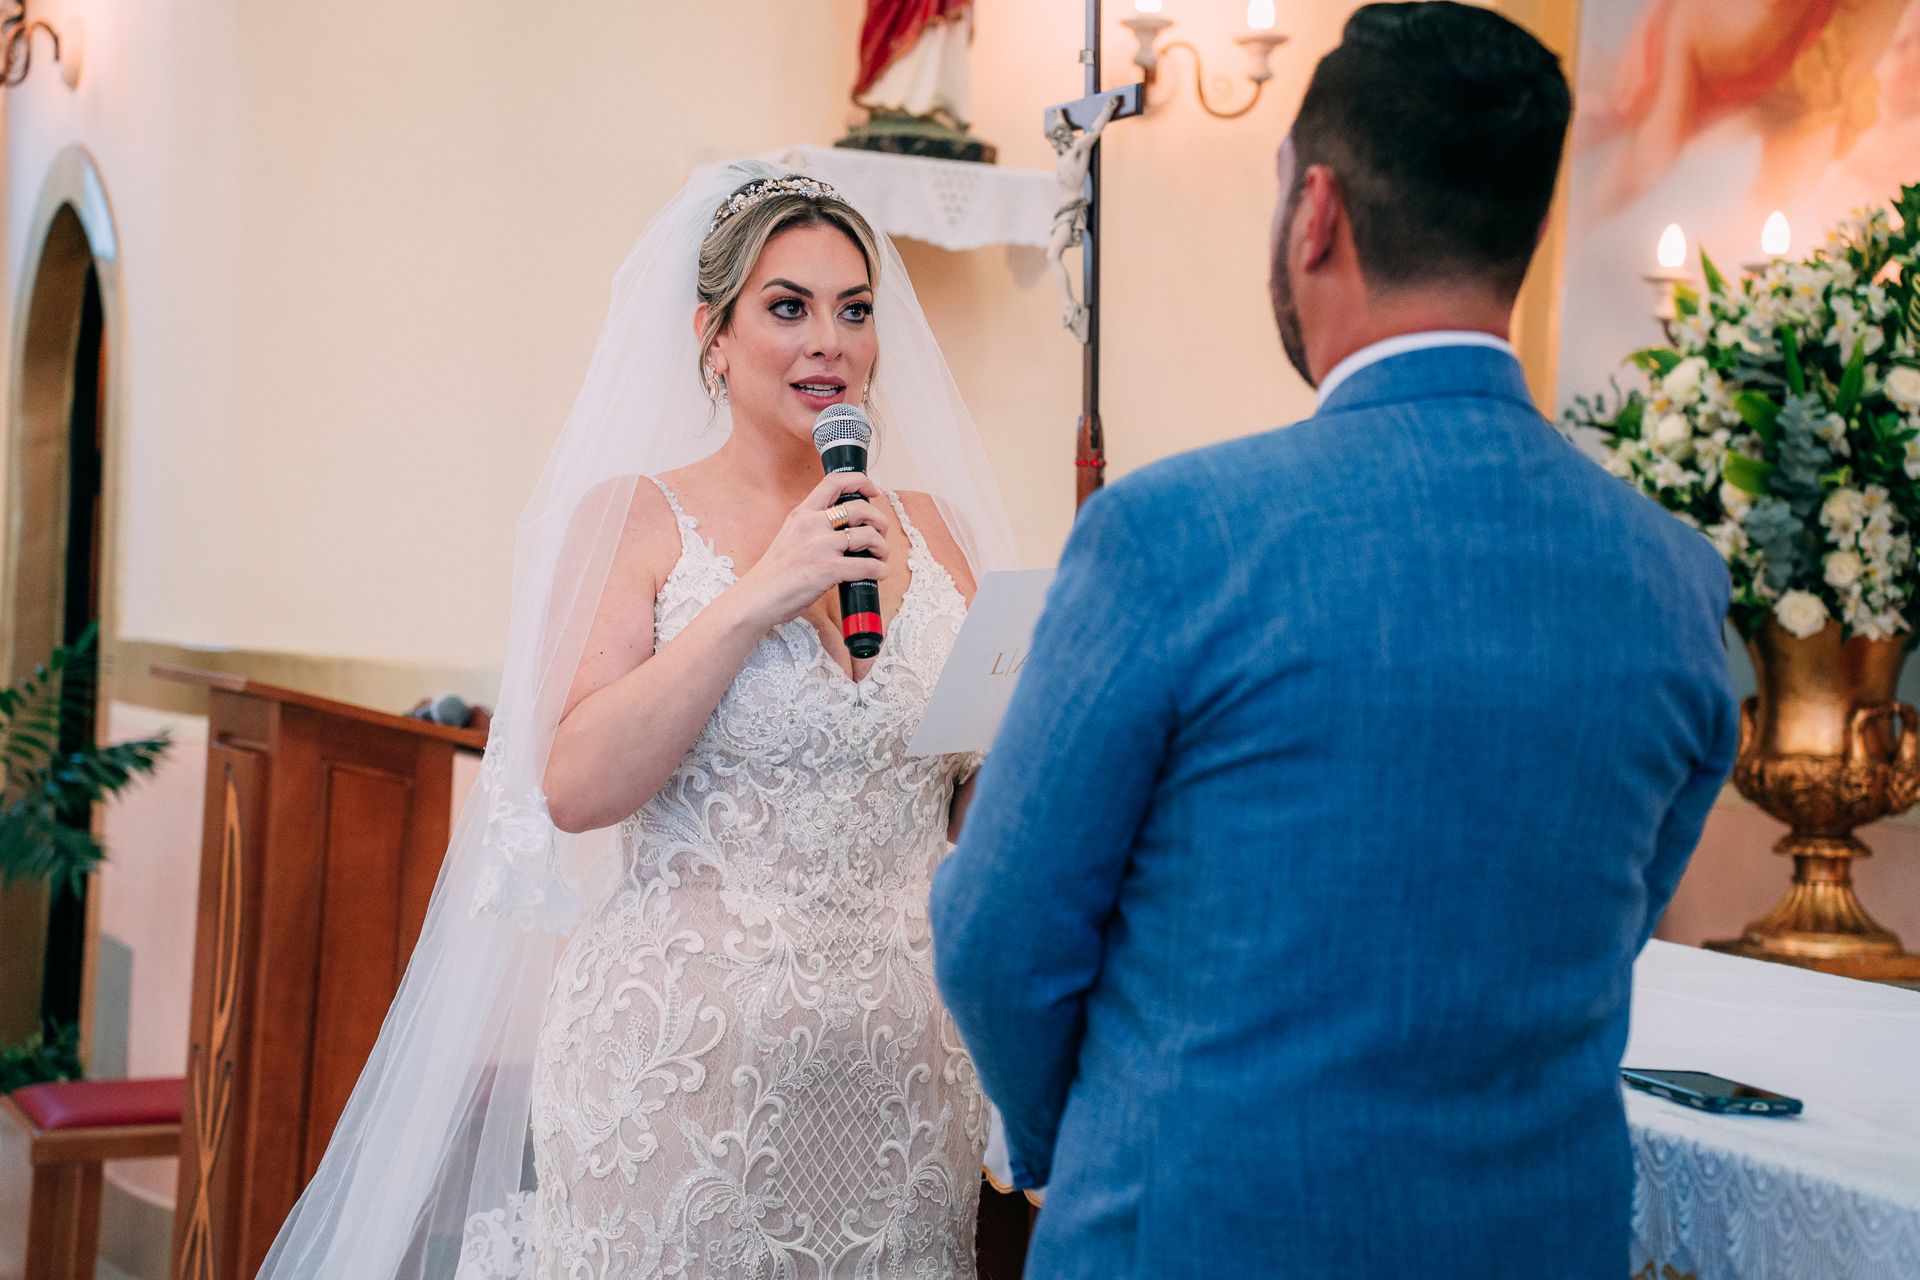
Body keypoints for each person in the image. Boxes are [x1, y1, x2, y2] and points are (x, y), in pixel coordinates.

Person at [931, 5, 1739, 1277]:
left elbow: (998, 931)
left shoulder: (1172, 536)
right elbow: (1597, 926)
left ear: (1315, 215)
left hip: (1197, 1230)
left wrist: (1077, 1141)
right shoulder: (1678, 583)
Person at [259, 163, 1017, 1279]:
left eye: (855, 309)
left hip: (901, 1071)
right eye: (788, 306)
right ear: (713, 334)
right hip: (681, 1070)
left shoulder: (937, 531)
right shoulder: (634, 519)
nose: (830, 341)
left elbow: (966, 805)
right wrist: (759, 591)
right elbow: (574, 783)